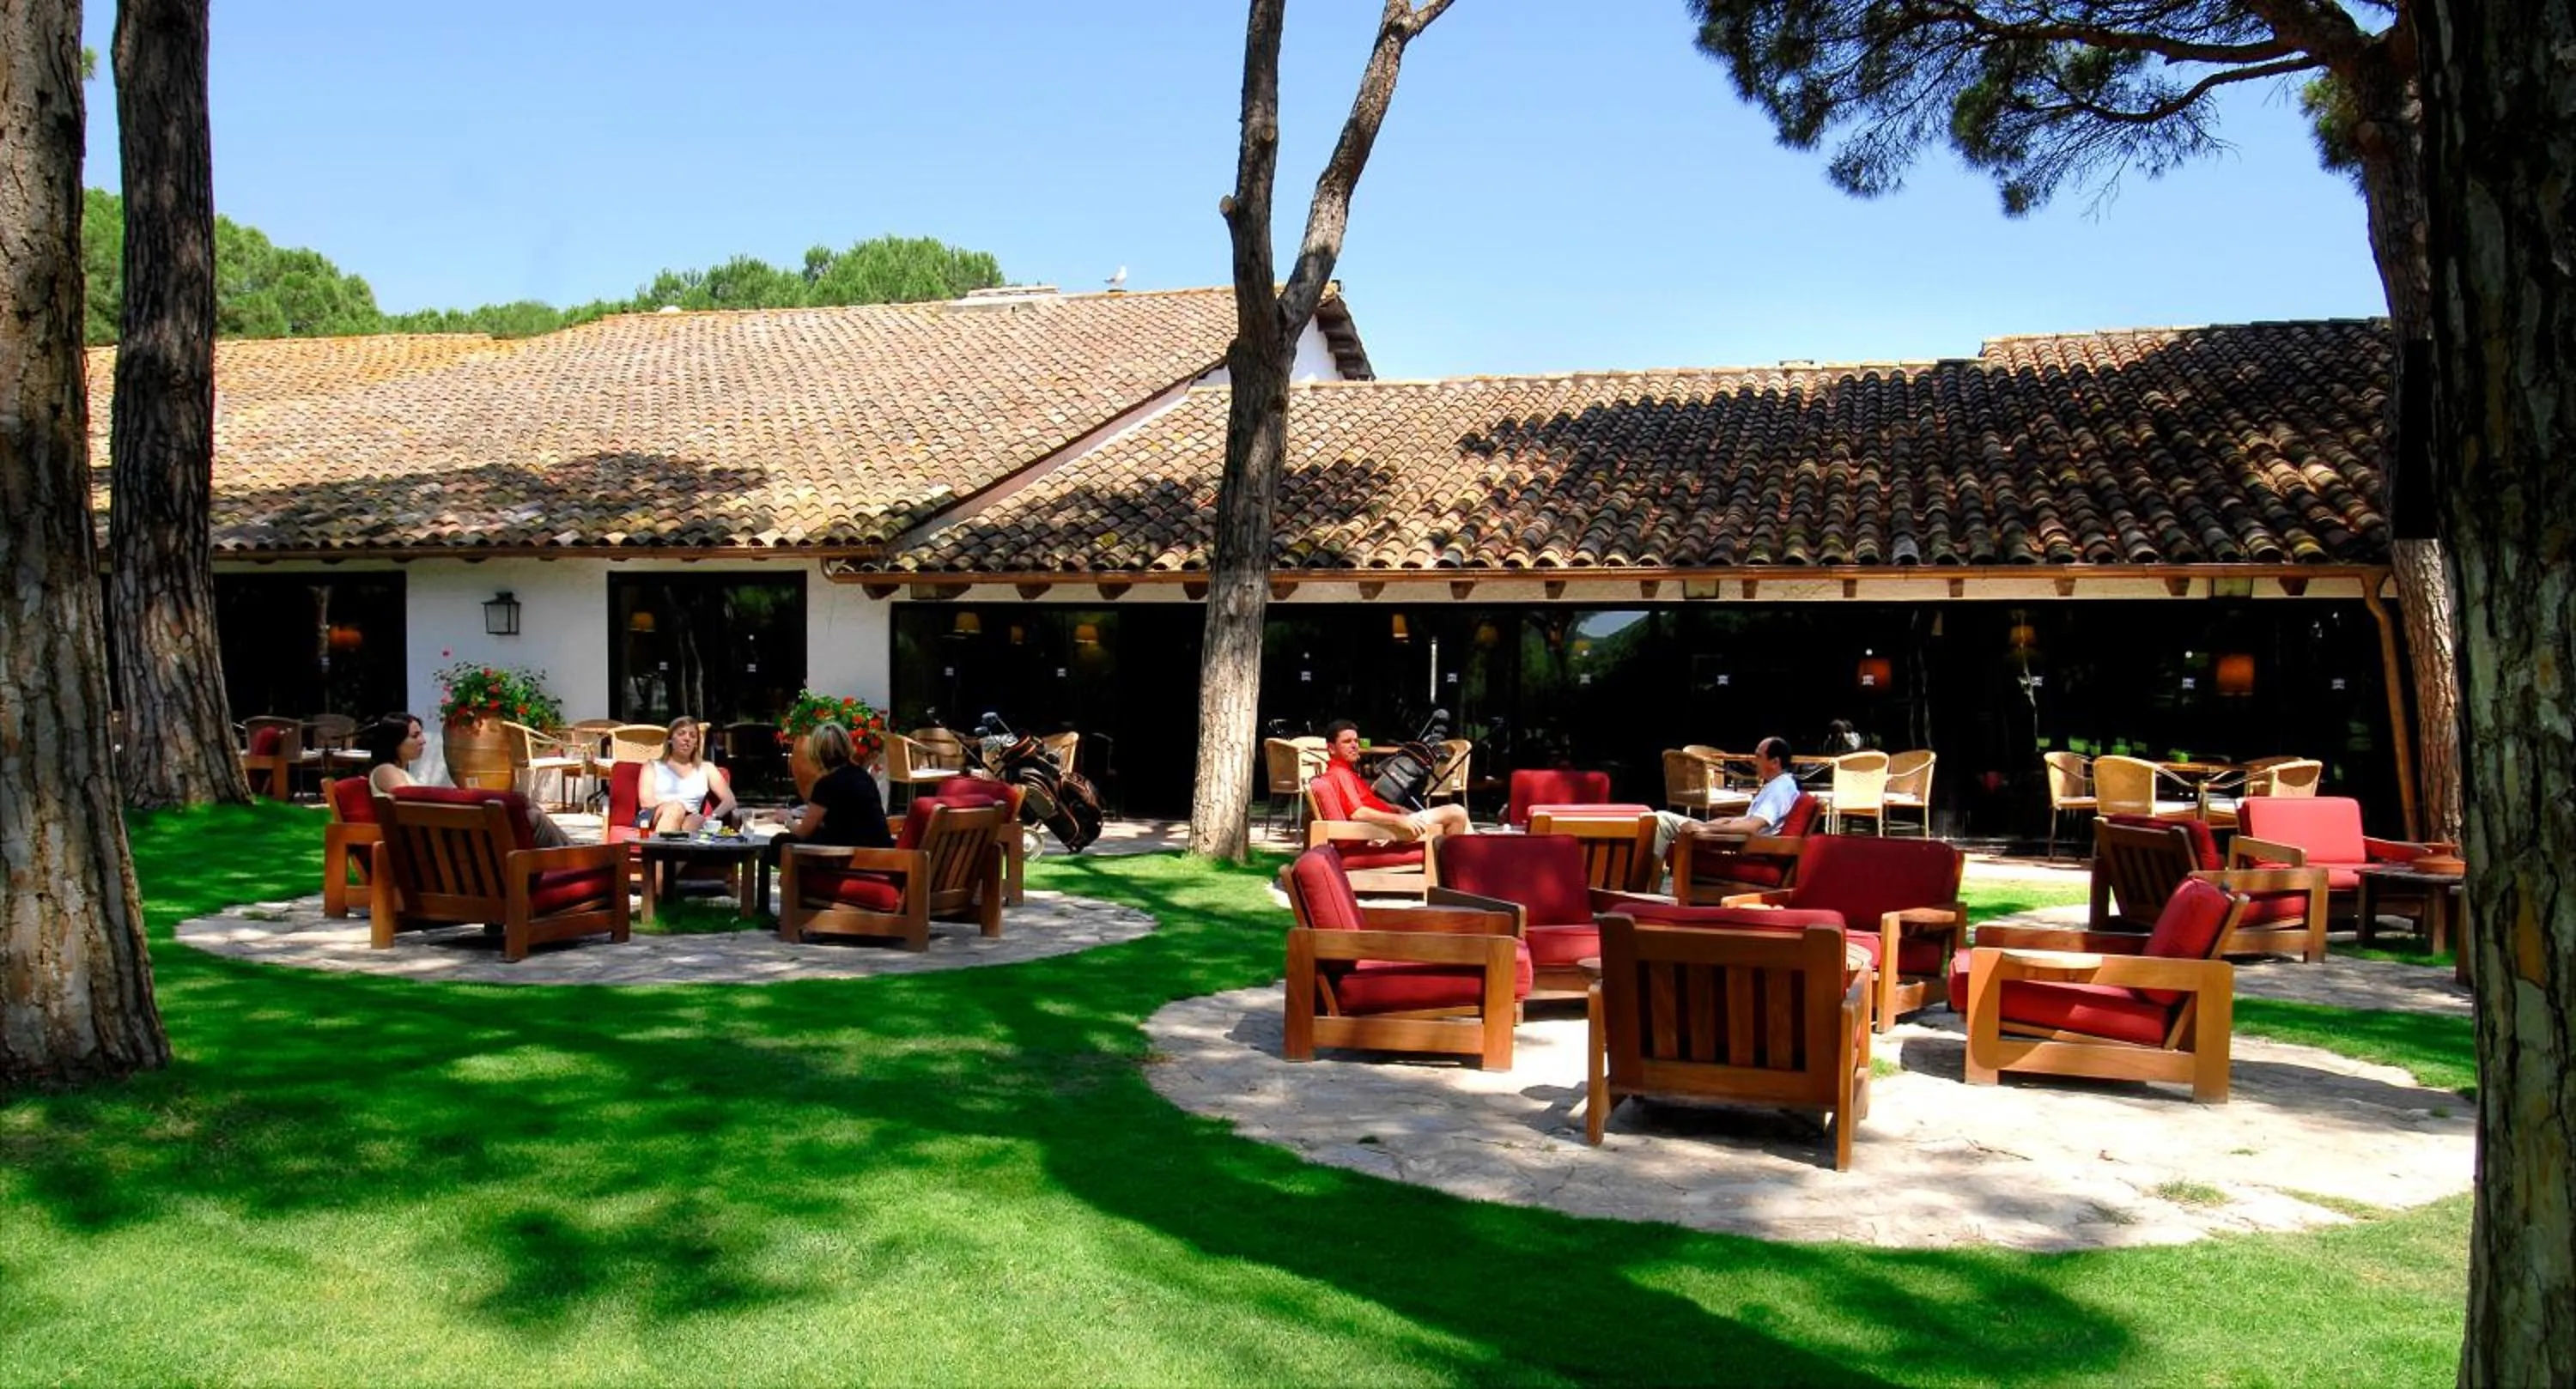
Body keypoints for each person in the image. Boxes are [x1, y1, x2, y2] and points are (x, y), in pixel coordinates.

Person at [361, 711, 571, 847]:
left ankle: (576, 855)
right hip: (437, 844)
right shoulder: (386, 771)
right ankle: (575, 858)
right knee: (532, 818)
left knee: (529, 811)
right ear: (394, 742)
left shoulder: (398, 771)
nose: (423, 741)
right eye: (414, 736)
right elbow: (413, 803)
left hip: (438, 839)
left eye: (421, 734)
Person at [757, 721, 893, 877]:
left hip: (854, 859)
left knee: (779, 843)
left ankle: (792, 885)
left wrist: (787, 819)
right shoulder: (863, 777)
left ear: (817, 754)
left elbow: (802, 833)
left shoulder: (827, 784)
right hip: (881, 856)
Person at [1318, 719, 1471, 842]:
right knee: (1456, 813)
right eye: (1347, 742)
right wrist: (1398, 819)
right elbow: (1358, 813)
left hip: (1387, 825)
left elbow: (1366, 803)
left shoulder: (1347, 772)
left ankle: (1469, 862)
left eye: (1356, 741)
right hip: (1382, 831)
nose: (1354, 746)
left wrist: (1396, 809)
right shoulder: (1339, 774)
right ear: (1331, 748)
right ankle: (1456, 866)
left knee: (1463, 821)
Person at [639, 715, 738, 834]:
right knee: (675, 809)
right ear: (670, 739)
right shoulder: (652, 766)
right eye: (681, 734)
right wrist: (677, 812)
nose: (687, 738)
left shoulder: (706, 768)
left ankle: (674, 844)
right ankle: (659, 845)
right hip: (655, 815)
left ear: (696, 743)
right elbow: (647, 803)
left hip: (690, 817)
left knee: (697, 821)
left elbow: (730, 800)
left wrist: (711, 818)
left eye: (692, 736)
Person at [1691, 736, 1803, 838]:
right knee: (1685, 825)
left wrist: (1705, 829)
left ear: (1775, 762)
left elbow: (1751, 827)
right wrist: (1707, 825)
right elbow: (1748, 821)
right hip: (1747, 843)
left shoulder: (1780, 789)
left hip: (1752, 847)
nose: (1754, 762)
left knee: (1682, 829)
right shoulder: (1778, 784)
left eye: (1758, 756)